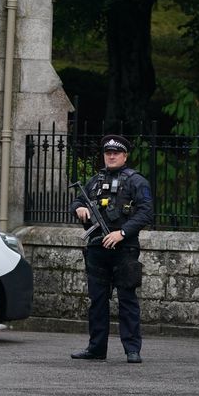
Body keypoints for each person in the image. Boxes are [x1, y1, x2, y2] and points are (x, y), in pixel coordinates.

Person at [70, 134, 154, 363]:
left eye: (116, 153)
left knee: (127, 299)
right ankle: (96, 348)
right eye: (108, 153)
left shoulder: (137, 181)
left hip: (124, 249)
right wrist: (79, 209)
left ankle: (132, 350)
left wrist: (122, 233)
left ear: (125, 155)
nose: (111, 156)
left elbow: (146, 212)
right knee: (97, 300)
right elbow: (78, 201)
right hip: (97, 248)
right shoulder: (95, 180)